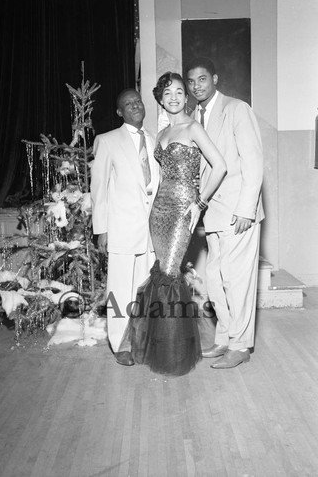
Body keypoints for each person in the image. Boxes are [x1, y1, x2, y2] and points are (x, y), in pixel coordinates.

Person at [123, 72, 227, 376]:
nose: (174, 98)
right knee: (162, 273)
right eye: (167, 93)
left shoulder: (193, 128)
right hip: (159, 211)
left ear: (187, 96)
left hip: (184, 210)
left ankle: (173, 355)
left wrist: (200, 202)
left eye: (180, 92)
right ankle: (154, 347)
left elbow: (219, 166)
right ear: (159, 98)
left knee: (170, 274)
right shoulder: (163, 134)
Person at [185, 57, 265, 369]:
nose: (196, 86)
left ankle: (240, 345)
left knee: (238, 281)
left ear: (215, 79)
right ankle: (225, 337)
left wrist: (247, 208)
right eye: (191, 82)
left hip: (237, 213)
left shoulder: (236, 108)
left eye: (202, 79)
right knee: (216, 280)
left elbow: (253, 161)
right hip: (213, 214)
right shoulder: (194, 116)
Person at [90, 89, 161, 366]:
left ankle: (142, 341)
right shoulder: (107, 141)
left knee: (144, 290)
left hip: (149, 235)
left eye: (138, 102)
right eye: (128, 104)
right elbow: (99, 190)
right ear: (119, 112)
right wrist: (102, 230)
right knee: (120, 290)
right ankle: (120, 344)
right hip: (121, 230)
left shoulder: (154, 141)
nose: (136, 106)